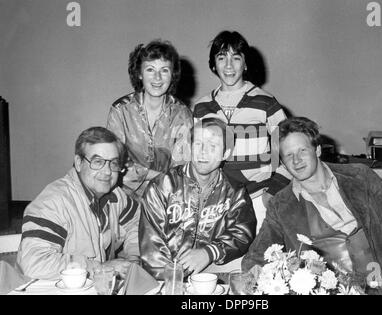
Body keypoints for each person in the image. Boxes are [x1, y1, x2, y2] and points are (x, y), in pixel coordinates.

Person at [242, 117, 382, 286]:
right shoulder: (281, 205)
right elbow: (256, 258)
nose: (296, 161)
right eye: (288, 155)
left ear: (317, 150)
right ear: (283, 163)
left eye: (302, 151)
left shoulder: (361, 177)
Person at [192, 31, 290, 230]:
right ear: (213, 64)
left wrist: (273, 190)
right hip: (216, 203)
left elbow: (290, 150)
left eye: (236, 58)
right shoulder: (202, 107)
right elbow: (196, 159)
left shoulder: (266, 102)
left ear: (245, 64)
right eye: (221, 58)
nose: (229, 65)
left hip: (258, 197)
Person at [17, 127, 140, 280]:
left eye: (113, 163)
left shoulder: (116, 195)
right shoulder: (53, 202)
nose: (108, 172)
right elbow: (33, 263)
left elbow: (137, 223)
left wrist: (134, 258)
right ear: (79, 163)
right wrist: (97, 268)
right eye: (98, 162)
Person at [139, 118, 257, 276]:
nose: (203, 151)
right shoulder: (161, 186)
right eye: (198, 144)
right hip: (166, 274)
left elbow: (242, 233)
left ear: (226, 153)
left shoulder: (235, 191)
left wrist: (210, 252)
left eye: (213, 146)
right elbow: (151, 246)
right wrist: (174, 280)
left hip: (213, 271)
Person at [107, 39, 193, 199]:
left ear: (172, 75)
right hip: (124, 200)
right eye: (150, 70)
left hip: (166, 199)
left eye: (164, 70)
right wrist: (157, 176)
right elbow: (114, 163)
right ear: (139, 74)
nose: (158, 78)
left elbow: (182, 170)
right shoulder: (120, 110)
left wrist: (152, 178)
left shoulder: (182, 114)